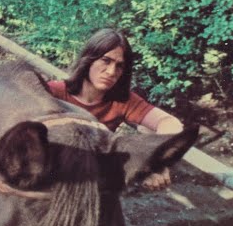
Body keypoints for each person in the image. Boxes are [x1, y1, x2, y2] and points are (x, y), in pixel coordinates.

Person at [47, 28, 186, 190]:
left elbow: (170, 123)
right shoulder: (53, 91)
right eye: (106, 61)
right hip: (50, 175)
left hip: (91, 179)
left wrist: (155, 162)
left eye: (119, 66)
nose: (111, 72)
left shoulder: (123, 100)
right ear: (88, 60)